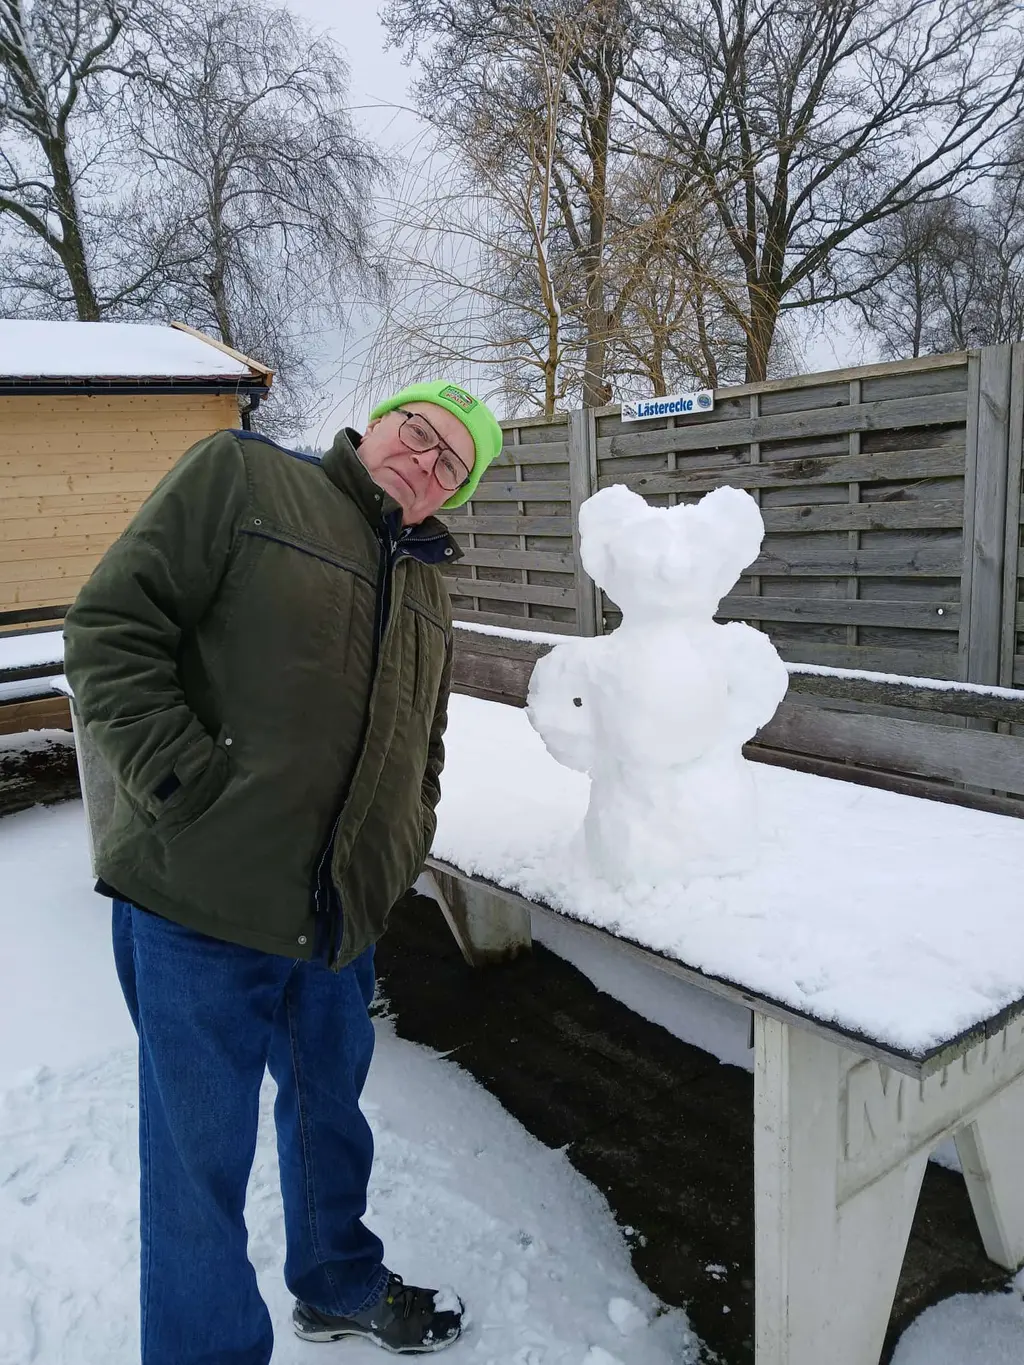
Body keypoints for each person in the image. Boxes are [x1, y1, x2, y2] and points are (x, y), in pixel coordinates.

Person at [63, 381, 503, 1363]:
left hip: (338, 916)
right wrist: (183, 788)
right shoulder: (246, 478)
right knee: (197, 1168)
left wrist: (400, 845)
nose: (424, 460)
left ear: (452, 495)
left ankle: (338, 1283)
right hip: (202, 905)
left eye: (451, 465)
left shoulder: (428, 589)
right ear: (379, 421)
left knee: (330, 1120)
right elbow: (111, 626)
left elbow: (425, 745)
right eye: (418, 432)